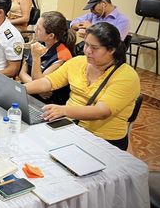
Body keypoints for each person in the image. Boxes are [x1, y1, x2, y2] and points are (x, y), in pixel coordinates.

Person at [25, 22, 140, 150]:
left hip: (103, 140)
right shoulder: (78, 62)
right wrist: (21, 89)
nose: (88, 51)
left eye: (94, 48)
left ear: (111, 50)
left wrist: (63, 110)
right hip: (71, 128)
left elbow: (102, 112)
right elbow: (48, 82)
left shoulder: (126, 76)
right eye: (86, 44)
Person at [18, 11, 75, 105]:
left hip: (48, 102)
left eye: (39, 29)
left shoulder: (63, 55)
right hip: (30, 92)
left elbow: (39, 83)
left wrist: (36, 58)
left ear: (51, 36)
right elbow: (22, 72)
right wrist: (37, 89)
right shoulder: (39, 43)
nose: (35, 30)